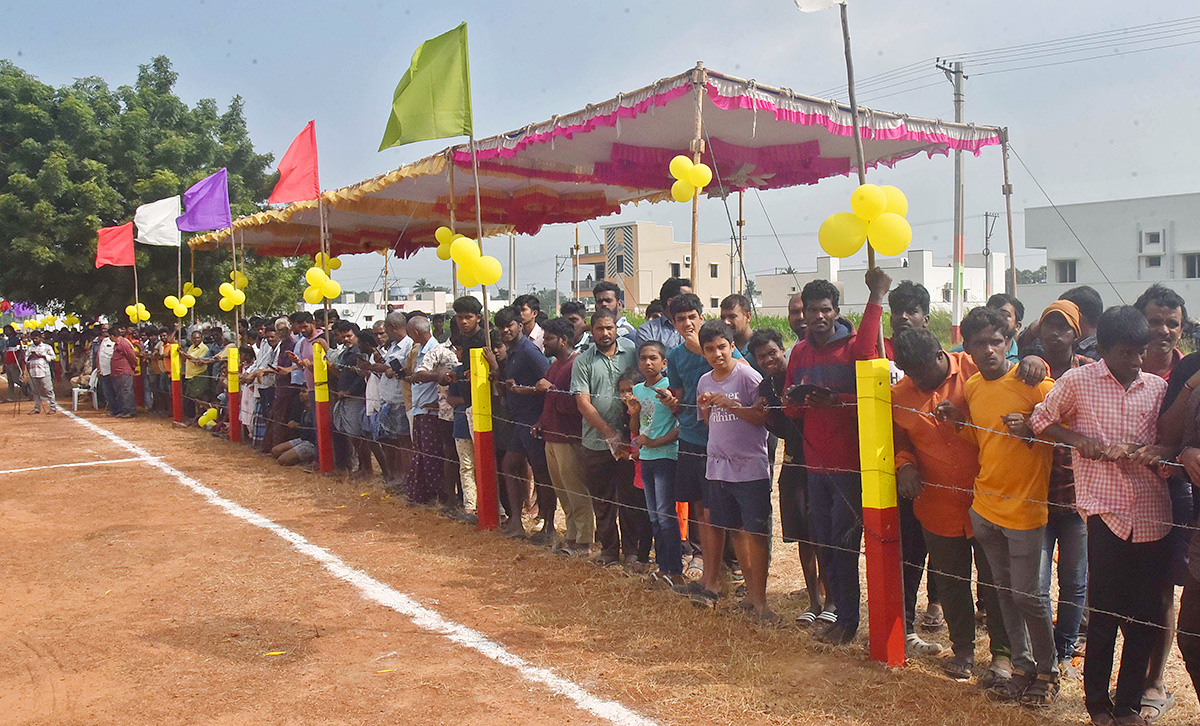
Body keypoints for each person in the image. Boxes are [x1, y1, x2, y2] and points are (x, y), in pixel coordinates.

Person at [1031, 306, 1173, 722]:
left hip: (1153, 514)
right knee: (1106, 612)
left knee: (1145, 616)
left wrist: (1155, 455)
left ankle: (1128, 703)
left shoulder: (1157, 390)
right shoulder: (1078, 381)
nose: (1137, 362)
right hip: (1105, 513)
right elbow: (1041, 421)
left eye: (1142, 352)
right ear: (1105, 349)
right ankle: (1096, 702)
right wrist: (1080, 440)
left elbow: (1168, 448)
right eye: (1128, 353)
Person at [940, 305, 1058, 706]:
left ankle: (1048, 670)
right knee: (1003, 595)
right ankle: (1023, 668)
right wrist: (958, 421)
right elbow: (985, 440)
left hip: (1026, 509)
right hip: (985, 507)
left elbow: (1064, 435)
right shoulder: (972, 388)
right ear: (968, 350)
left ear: (1009, 342)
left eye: (997, 341)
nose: (989, 349)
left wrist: (1032, 431)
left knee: (1029, 596)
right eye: (980, 343)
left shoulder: (1034, 384)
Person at [890, 327, 1012, 682]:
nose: (918, 382)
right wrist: (905, 465)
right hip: (937, 504)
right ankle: (963, 650)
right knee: (950, 580)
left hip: (989, 500)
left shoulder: (976, 370)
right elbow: (899, 441)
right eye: (910, 375)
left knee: (995, 581)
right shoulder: (899, 395)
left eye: (923, 373)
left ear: (940, 355)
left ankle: (1002, 654)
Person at [782, 268, 889, 645]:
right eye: (812, 311)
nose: (819, 317)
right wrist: (795, 400)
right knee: (825, 541)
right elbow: (792, 413)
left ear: (837, 310)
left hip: (851, 466)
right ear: (803, 314)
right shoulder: (798, 352)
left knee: (845, 545)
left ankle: (849, 621)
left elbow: (869, 389)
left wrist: (877, 294)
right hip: (815, 464)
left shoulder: (855, 346)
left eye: (826, 309)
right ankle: (839, 615)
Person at [662, 292, 746, 600]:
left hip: (723, 441)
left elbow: (743, 377)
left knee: (722, 511)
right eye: (680, 319)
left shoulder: (717, 348)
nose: (686, 323)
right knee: (699, 509)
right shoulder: (674, 356)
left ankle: (724, 575)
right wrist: (673, 402)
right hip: (692, 438)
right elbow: (679, 396)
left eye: (691, 317)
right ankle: (710, 574)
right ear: (673, 323)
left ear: (701, 316)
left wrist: (702, 348)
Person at [1030, 300, 1093, 679]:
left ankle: (1066, 648)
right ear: (1039, 332)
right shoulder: (1027, 372)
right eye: (1049, 326)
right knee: (1036, 585)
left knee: (1074, 581)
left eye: (1063, 327)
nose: (1056, 334)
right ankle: (1043, 654)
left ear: (1076, 334)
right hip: (1036, 494)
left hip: (1078, 497)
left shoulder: (1090, 373)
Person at [750, 328, 827, 625]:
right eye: (761, 356)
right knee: (804, 536)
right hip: (794, 462)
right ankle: (813, 601)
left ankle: (830, 597)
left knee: (825, 535)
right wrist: (770, 414)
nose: (769, 359)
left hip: (822, 460)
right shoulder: (765, 388)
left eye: (772, 352)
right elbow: (780, 430)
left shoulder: (804, 376)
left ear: (783, 350)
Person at [696, 321, 773, 620]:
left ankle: (763, 602)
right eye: (710, 349)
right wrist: (707, 408)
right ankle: (751, 597)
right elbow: (709, 423)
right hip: (718, 467)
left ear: (731, 346)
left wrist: (730, 404)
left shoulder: (747, 376)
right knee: (736, 531)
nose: (717, 354)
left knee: (756, 533)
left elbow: (761, 417)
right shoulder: (704, 381)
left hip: (749, 468)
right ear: (703, 352)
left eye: (722, 347)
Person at [881, 279, 943, 642]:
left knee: (945, 548)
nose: (903, 317)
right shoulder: (881, 355)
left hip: (945, 473)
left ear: (925, 316)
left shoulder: (945, 360)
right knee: (907, 548)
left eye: (912, 311)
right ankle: (901, 623)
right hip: (901, 468)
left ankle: (936, 604)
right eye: (897, 311)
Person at [571, 309, 648, 567]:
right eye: (600, 329)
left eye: (610, 328)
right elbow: (583, 402)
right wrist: (608, 432)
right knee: (602, 501)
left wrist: (625, 434)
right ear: (591, 331)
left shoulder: (631, 353)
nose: (605, 334)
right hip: (595, 442)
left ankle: (633, 552)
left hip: (630, 439)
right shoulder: (583, 361)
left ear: (617, 329)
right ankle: (609, 551)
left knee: (630, 499)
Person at [532, 316, 594, 556]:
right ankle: (571, 536)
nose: (544, 342)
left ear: (563, 339)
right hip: (552, 436)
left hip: (569, 438)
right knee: (563, 492)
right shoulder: (555, 364)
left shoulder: (575, 364)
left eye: (548, 338)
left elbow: (575, 403)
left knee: (576, 490)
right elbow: (551, 401)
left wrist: (552, 390)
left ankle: (584, 541)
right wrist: (541, 423)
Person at [495, 306, 554, 540]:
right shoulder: (512, 352)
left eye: (509, 325)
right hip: (519, 421)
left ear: (519, 325)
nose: (505, 330)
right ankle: (517, 522)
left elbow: (548, 383)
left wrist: (524, 390)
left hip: (533, 421)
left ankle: (549, 526)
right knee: (509, 464)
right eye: (501, 327)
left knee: (542, 474)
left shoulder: (529, 351)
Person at [627, 340, 681, 584]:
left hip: (665, 457)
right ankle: (662, 567)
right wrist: (635, 413)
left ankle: (675, 570)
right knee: (654, 517)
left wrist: (654, 442)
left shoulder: (670, 388)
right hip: (646, 458)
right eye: (643, 359)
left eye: (653, 358)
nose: (648, 363)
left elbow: (680, 428)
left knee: (665, 515)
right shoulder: (637, 390)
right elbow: (635, 428)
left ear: (664, 362)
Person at [406, 314, 455, 505]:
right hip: (420, 408)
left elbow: (441, 377)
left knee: (433, 454)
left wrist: (421, 376)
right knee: (422, 453)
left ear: (415, 332)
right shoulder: (418, 351)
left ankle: (439, 494)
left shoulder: (437, 351)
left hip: (432, 410)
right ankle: (424, 493)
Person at [1135, 283, 1185, 380]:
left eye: (1172, 324)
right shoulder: (1119, 371)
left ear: (1181, 331)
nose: (1164, 331)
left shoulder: (1191, 373)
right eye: (1154, 322)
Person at [636, 277, 691, 349]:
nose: (691, 302)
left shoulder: (700, 327)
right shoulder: (648, 330)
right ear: (670, 302)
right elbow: (648, 358)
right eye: (686, 299)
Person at [108, 323, 139, 418]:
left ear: (113, 336)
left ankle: (130, 411)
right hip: (118, 373)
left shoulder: (123, 343)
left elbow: (131, 356)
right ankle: (123, 410)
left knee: (126, 391)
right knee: (120, 392)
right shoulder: (117, 344)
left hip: (124, 371)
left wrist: (134, 367)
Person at [24, 329, 57, 414]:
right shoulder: (30, 347)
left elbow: (53, 357)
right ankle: (37, 408)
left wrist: (43, 355)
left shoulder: (46, 347)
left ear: (40, 338)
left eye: (36, 338)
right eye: (33, 339)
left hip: (44, 371)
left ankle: (53, 407)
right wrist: (30, 357)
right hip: (33, 372)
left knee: (48, 390)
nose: (35, 340)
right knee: (35, 391)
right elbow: (25, 359)